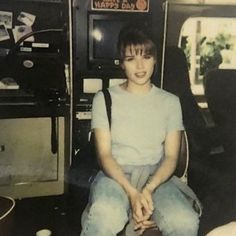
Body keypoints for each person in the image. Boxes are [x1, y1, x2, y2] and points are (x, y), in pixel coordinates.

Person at [80, 25, 199, 236]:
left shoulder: (171, 102)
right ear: (121, 64)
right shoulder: (104, 99)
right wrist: (132, 193)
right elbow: (104, 155)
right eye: (131, 58)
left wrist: (148, 190)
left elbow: (171, 157)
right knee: (106, 215)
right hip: (115, 176)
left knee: (185, 222)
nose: (140, 65)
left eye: (146, 56)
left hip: (158, 177)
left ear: (155, 59)